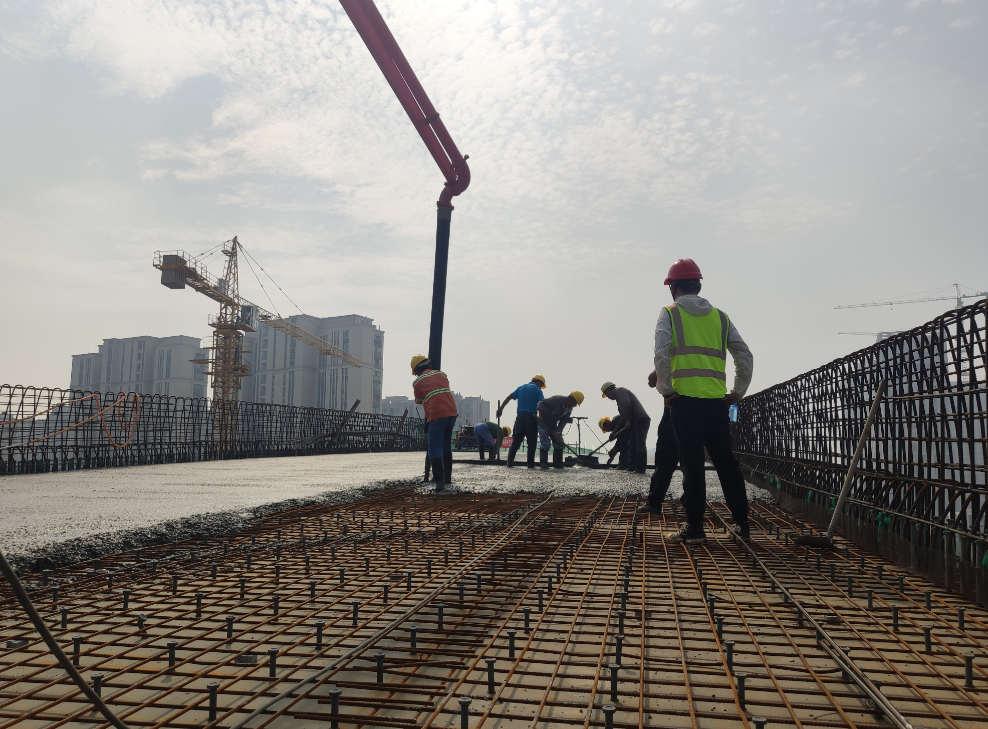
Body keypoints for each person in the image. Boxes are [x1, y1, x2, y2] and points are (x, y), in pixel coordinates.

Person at [653, 259, 753, 544]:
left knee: (692, 463)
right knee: (726, 462)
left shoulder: (669, 313)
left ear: (672, 287)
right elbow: (744, 355)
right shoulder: (720, 317)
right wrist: (737, 392)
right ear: (698, 285)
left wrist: (666, 391)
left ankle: (695, 527)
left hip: (683, 401)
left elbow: (661, 353)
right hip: (716, 401)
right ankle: (742, 523)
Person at [410, 354, 458, 490]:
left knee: (434, 447)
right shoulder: (442, 374)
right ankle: (447, 478)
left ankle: (439, 481)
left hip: (436, 414)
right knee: (446, 445)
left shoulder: (418, 382)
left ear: (416, 370)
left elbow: (419, 400)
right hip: (451, 412)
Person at [497, 375, 547, 468]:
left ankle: (510, 462)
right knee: (531, 443)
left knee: (516, 441)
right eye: (541, 385)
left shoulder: (521, 388)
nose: (541, 387)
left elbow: (509, 397)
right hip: (531, 418)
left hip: (519, 418)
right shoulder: (537, 390)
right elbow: (542, 405)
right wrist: (541, 419)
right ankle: (530, 464)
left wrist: (501, 409)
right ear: (539, 382)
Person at [601, 382, 651, 473]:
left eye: (606, 394)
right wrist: (614, 433)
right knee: (631, 444)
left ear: (608, 390)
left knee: (639, 443)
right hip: (633, 422)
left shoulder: (619, 391)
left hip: (640, 420)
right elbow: (622, 419)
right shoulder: (618, 400)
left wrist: (628, 419)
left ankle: (640, 469)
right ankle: (631, 468)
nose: (608, 397)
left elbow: (627, 403)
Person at [536, 390, 585, 469]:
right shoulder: (556, 400)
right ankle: (544, 464)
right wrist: (541, 417)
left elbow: (563, 421)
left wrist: (558, 432)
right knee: (545, 443)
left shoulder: (568, 409)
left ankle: (558, 464)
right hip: (543, 423)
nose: (574, 405)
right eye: (575, 403)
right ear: (570, 399)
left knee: (559, 443)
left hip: (553, 424)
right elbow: (541, 403)